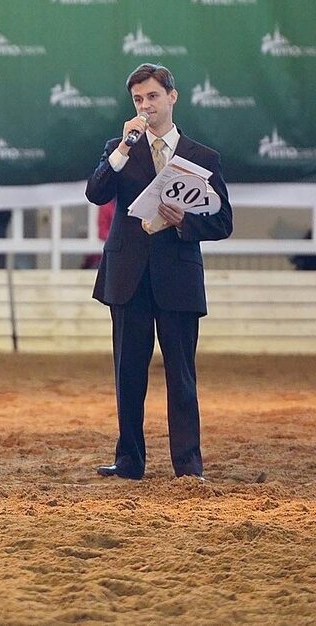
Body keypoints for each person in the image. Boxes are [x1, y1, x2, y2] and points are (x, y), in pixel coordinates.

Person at [85, 63, 233, 481]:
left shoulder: (203, 157)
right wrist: (121, 151)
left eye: (152, 96)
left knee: (181, 374)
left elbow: (222, 222)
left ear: (172, 96)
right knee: (127, 372)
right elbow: (96, 193)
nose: (145, 105)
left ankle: (188, 464)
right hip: (128, 274)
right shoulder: (120, 149)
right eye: (138, 99)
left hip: (178, 274)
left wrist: (185, 220)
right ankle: (129, 461)